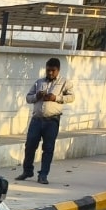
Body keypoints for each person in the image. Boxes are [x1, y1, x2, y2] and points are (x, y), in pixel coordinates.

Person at [16, 57, 74, 185]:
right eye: (48, 70)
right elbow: (28, 98)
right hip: (36, 120)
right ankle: (27, 171)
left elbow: (71, 97)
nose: (50, 73)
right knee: (30, 145)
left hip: (52, 121)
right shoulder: (39, 82)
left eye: (53, 70)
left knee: (48, 148)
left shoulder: (65, 83)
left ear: (58, 70)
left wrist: (55, 97)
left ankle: (43, 175)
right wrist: (37, 96)